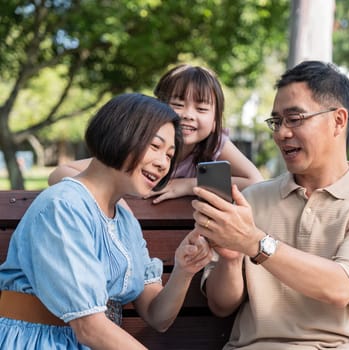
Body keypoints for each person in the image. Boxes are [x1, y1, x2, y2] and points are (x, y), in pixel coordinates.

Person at [191, 61, 349, 349]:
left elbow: (340, 287)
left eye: (295, 119)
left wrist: (254, 242)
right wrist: (230, 257)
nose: (281, 133)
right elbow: (221, 306)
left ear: (338, 120)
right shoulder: (250, 201)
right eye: (277, 122)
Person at [0, 93, 213, 349]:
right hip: (38, 341)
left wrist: (184, 269)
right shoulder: (63, 206)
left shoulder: (125, 222)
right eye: (155, 147)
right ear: (120, 134)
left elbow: (158, 317)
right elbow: (89, 328)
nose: (162, 164)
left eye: (169, 155)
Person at [48, 64, 264, 203]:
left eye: (201, 109)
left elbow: (255, 182)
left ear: (216, 121)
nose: (188, 115)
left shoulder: (214, 144)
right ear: (158, 109)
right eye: (178, 104)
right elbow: (59, 173)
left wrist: (188, 185)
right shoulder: (139, 146)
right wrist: (105, 195)